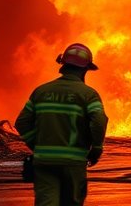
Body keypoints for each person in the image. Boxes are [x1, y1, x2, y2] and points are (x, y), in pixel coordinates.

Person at [14, 43, 109, 206]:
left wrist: (35, 144)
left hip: (45, 162)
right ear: (85, 69)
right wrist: (97, 148)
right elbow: (99, 121)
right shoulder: (88, 94)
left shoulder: (41, 91)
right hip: (73, 163)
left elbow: (21, 123)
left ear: (63, 65)